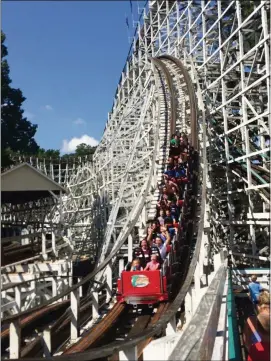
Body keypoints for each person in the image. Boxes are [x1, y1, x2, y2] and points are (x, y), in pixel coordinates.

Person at [243, 291, 270, 361]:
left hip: (256, 354)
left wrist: (253, 351)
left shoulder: (250, 320)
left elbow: (246, 341)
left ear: (258, 306)